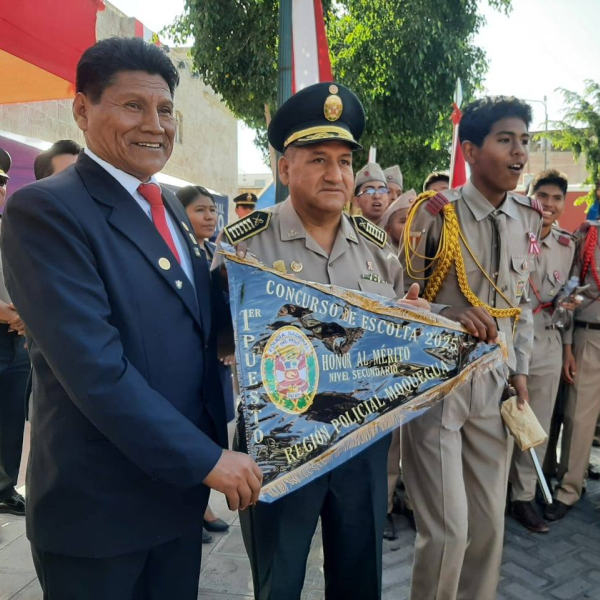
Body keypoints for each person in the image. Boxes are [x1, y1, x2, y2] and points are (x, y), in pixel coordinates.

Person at [1, 37, 262, 600]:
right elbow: (95, 371)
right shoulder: (47, 209)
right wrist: (209, 458)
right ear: (82, 109)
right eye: (133, 106)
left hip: (174, 499)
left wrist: (332, 316)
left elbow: (200, 325)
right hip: (99, 514)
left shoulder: (165, 205)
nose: (155, 125)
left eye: (166, 109)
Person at [218, 81, 433, 600]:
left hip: (361, 441)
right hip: (280, 440)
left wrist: (410, 323)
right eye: (318, 159)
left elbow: (391, 335)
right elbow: (220, 338)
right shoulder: (245, 245)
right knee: (279, 579)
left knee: (359, 578)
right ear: (284, 168)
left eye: (344, 161)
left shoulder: (377, 249)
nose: (335, 174)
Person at [400, 96, 541, 600]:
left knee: (487, 528)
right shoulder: (435, 215)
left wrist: (520, 371)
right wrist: (448, 312)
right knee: (447, 534)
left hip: (495, 383)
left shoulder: (527, 217)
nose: (519, 152)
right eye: (505, 140)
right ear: (471, 151)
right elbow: (398, 302)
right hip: (439, 386)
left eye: (524, 141)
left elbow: (520, 304)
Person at [508, 169, 575, 533]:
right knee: (501, 418)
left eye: (556, 198)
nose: (548, 204)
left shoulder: (567, 245)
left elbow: (567, 300)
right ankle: (495, 490)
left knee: (538, 424)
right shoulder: (510, 232)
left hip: (547, 341)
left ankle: (523, 496)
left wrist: (567, 347)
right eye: (542, 196)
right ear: (529, 197)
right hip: (509, 338)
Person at [177, 184, 234, 543]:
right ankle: (189, 512)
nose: (210, 216)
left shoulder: (213, 253)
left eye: (212, 210)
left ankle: (201, 506)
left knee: (209, 433)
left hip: (214, 362)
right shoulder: (176, 255)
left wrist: (228, 345)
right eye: (200, 210)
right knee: (187, 434)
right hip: (186, 364)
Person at [548, 183, 600, 521]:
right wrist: (567, 345)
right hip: (589, 336)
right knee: (578, 418)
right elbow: (568, 293)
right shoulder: (585, 237)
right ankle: (569, 488)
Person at [0, 147, 29, 518]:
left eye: (3, 182)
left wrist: (25, 315)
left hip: (16, 338)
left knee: (10, 420)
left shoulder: (13, 228)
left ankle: (4, 489)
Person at [379, 189, 416, 255]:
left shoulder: (427, 256)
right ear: (388, 229)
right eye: (404, 221)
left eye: (415, 221)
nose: (411, 225)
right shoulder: (382, 257)